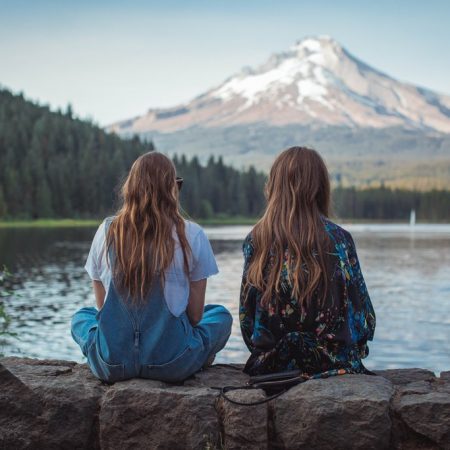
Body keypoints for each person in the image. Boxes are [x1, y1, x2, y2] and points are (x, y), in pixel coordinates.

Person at [71, 152, 232, 383]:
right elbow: (195, 317)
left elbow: (102, 310)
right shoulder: (192, 234)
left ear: (131, 188)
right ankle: (199, 354)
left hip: (113, 364)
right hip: (172, 364)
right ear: (171, 189)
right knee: (220, 315)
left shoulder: (107, 231)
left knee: (82, 317)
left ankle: (99, 354)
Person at [239, 146, 375, 377]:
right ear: (320, 188)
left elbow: (247, 321)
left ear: (273, 186)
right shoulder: (340, 240)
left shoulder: (256, 240)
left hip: (272, 365)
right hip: (332, 363)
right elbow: (364, 320)